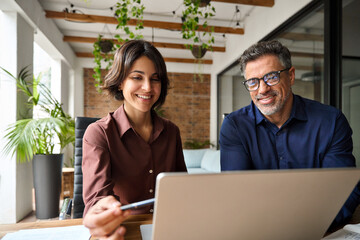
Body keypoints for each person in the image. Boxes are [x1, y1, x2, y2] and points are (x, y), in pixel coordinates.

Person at [219, 40, 360, 228]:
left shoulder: (331, 121)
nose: (262, 89)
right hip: (259, 230)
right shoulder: (234, 126)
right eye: (253, 82)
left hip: (321, 228)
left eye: (271, 77)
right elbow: (236, 194)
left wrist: (308, 226)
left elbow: (344, 191)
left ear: (291, 76)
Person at [82, 39, 187, 239]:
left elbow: (181, 189)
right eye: (137, 77)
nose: (147, 87)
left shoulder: (172, 132)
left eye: (155, 79)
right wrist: (102, 212)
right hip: (123, 230)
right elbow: (98, 199)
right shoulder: (98, 133)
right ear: (121, 82)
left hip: (168, 228)